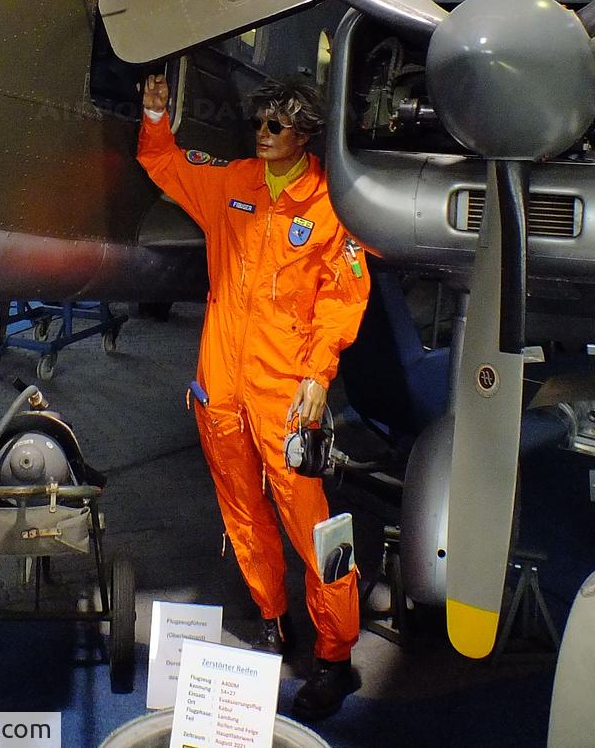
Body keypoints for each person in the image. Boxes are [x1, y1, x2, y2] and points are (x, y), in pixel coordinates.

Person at [137, 72, 371, 723]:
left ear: (305, 133)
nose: (263, 135)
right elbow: (161, 162)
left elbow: (343, 296)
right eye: (260, 122)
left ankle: (334, 656)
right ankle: (272, 620)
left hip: (286, 395)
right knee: (242, 513)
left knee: (318, 531)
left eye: (276, 125)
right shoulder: (232, 183)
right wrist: (156, 116)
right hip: (220, 387)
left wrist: (319, 375)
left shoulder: (330, 206)